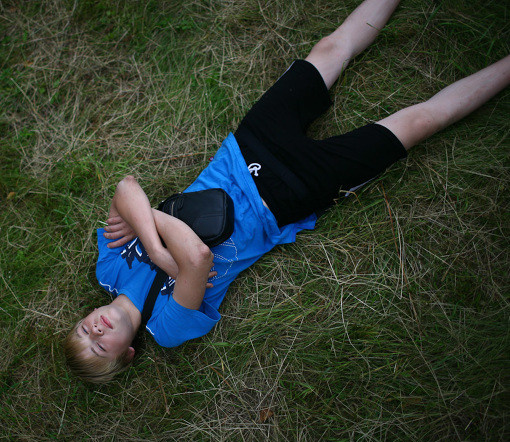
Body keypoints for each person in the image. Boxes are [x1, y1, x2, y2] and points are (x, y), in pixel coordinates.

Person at [64, 0, 510, 383]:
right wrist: (148, 222)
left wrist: (162, 251)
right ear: (128, 355)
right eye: (100, 348)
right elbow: (197, 257)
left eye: (84, 332)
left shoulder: (108, 268)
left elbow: (126, 187)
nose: (96, 332)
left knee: (330, 48)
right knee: (419, 122)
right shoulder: (168, 329)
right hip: (288, 197)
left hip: (245, 150)